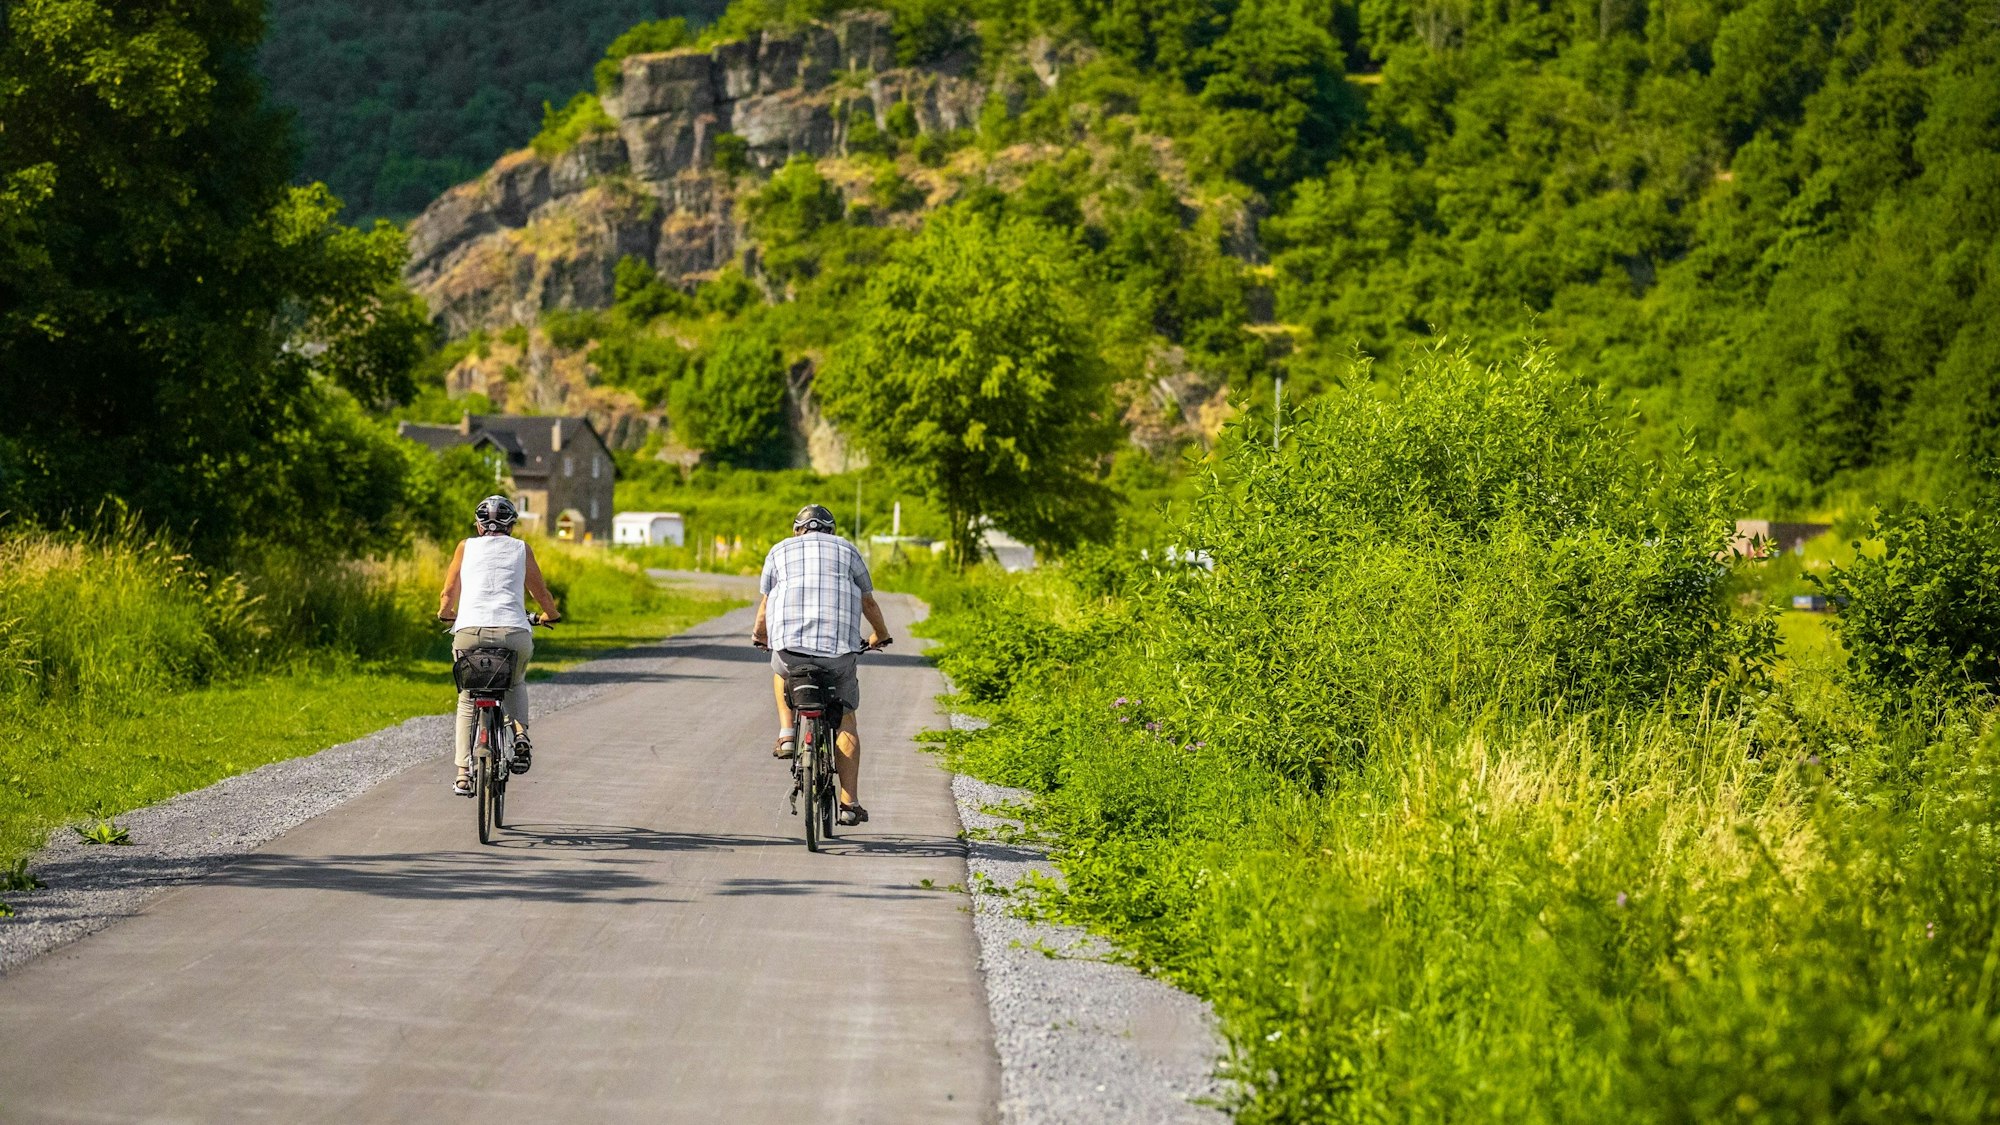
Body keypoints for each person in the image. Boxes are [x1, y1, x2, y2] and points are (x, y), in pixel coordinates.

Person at [752, 504, 892, 826]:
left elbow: (766, 603)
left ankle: (788, 734)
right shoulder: (848, 550)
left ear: (796, 530)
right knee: (845, 720)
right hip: (837, 655)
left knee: (779, 670)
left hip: (791, 653)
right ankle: (848, 803)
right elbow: (867, 601)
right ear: (831, 530)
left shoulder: (778, 551)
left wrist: (761, 636)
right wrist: (881, 635)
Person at [437, 496, 561, 796]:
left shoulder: (465, 547)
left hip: (469, 632)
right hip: (513, 634)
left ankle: (463, 773)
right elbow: (539, 591)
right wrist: (551, 614)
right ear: (511, 524)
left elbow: (449, 590)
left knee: (468, 697)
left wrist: (445, 612)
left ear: (479, 525)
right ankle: (520, 734)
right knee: (515, 682)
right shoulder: (521, 549)